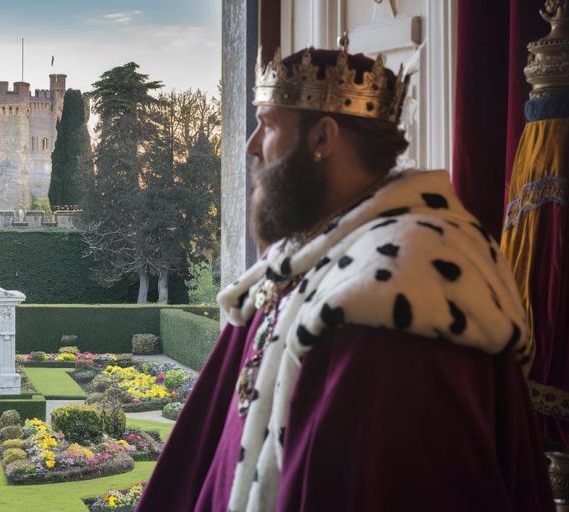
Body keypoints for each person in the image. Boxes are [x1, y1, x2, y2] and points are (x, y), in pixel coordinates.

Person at [136, 47, 554, 511]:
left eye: (269, 125)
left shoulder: (393, 292)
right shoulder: (305, 259)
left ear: (323, 137)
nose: (252, 145)